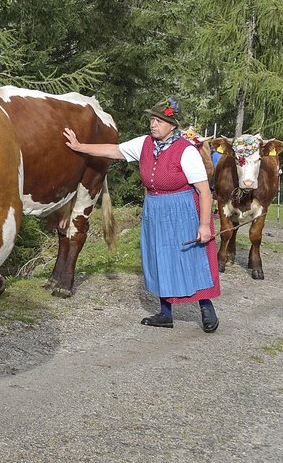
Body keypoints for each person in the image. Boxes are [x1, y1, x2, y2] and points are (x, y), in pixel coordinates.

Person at [63, 97, 220, 333]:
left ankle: (206, 308)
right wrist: (80, 147)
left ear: (172, 126)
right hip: (155, 208)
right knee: (159, 258)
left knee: (190, 259)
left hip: (182, 208)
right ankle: (165, 314)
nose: (153, 124)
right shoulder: (145, 143)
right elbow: (115, 150)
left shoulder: (186, 151)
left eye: (159, 121)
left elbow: (204, 191)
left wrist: (205, 225)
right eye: (152, 120)